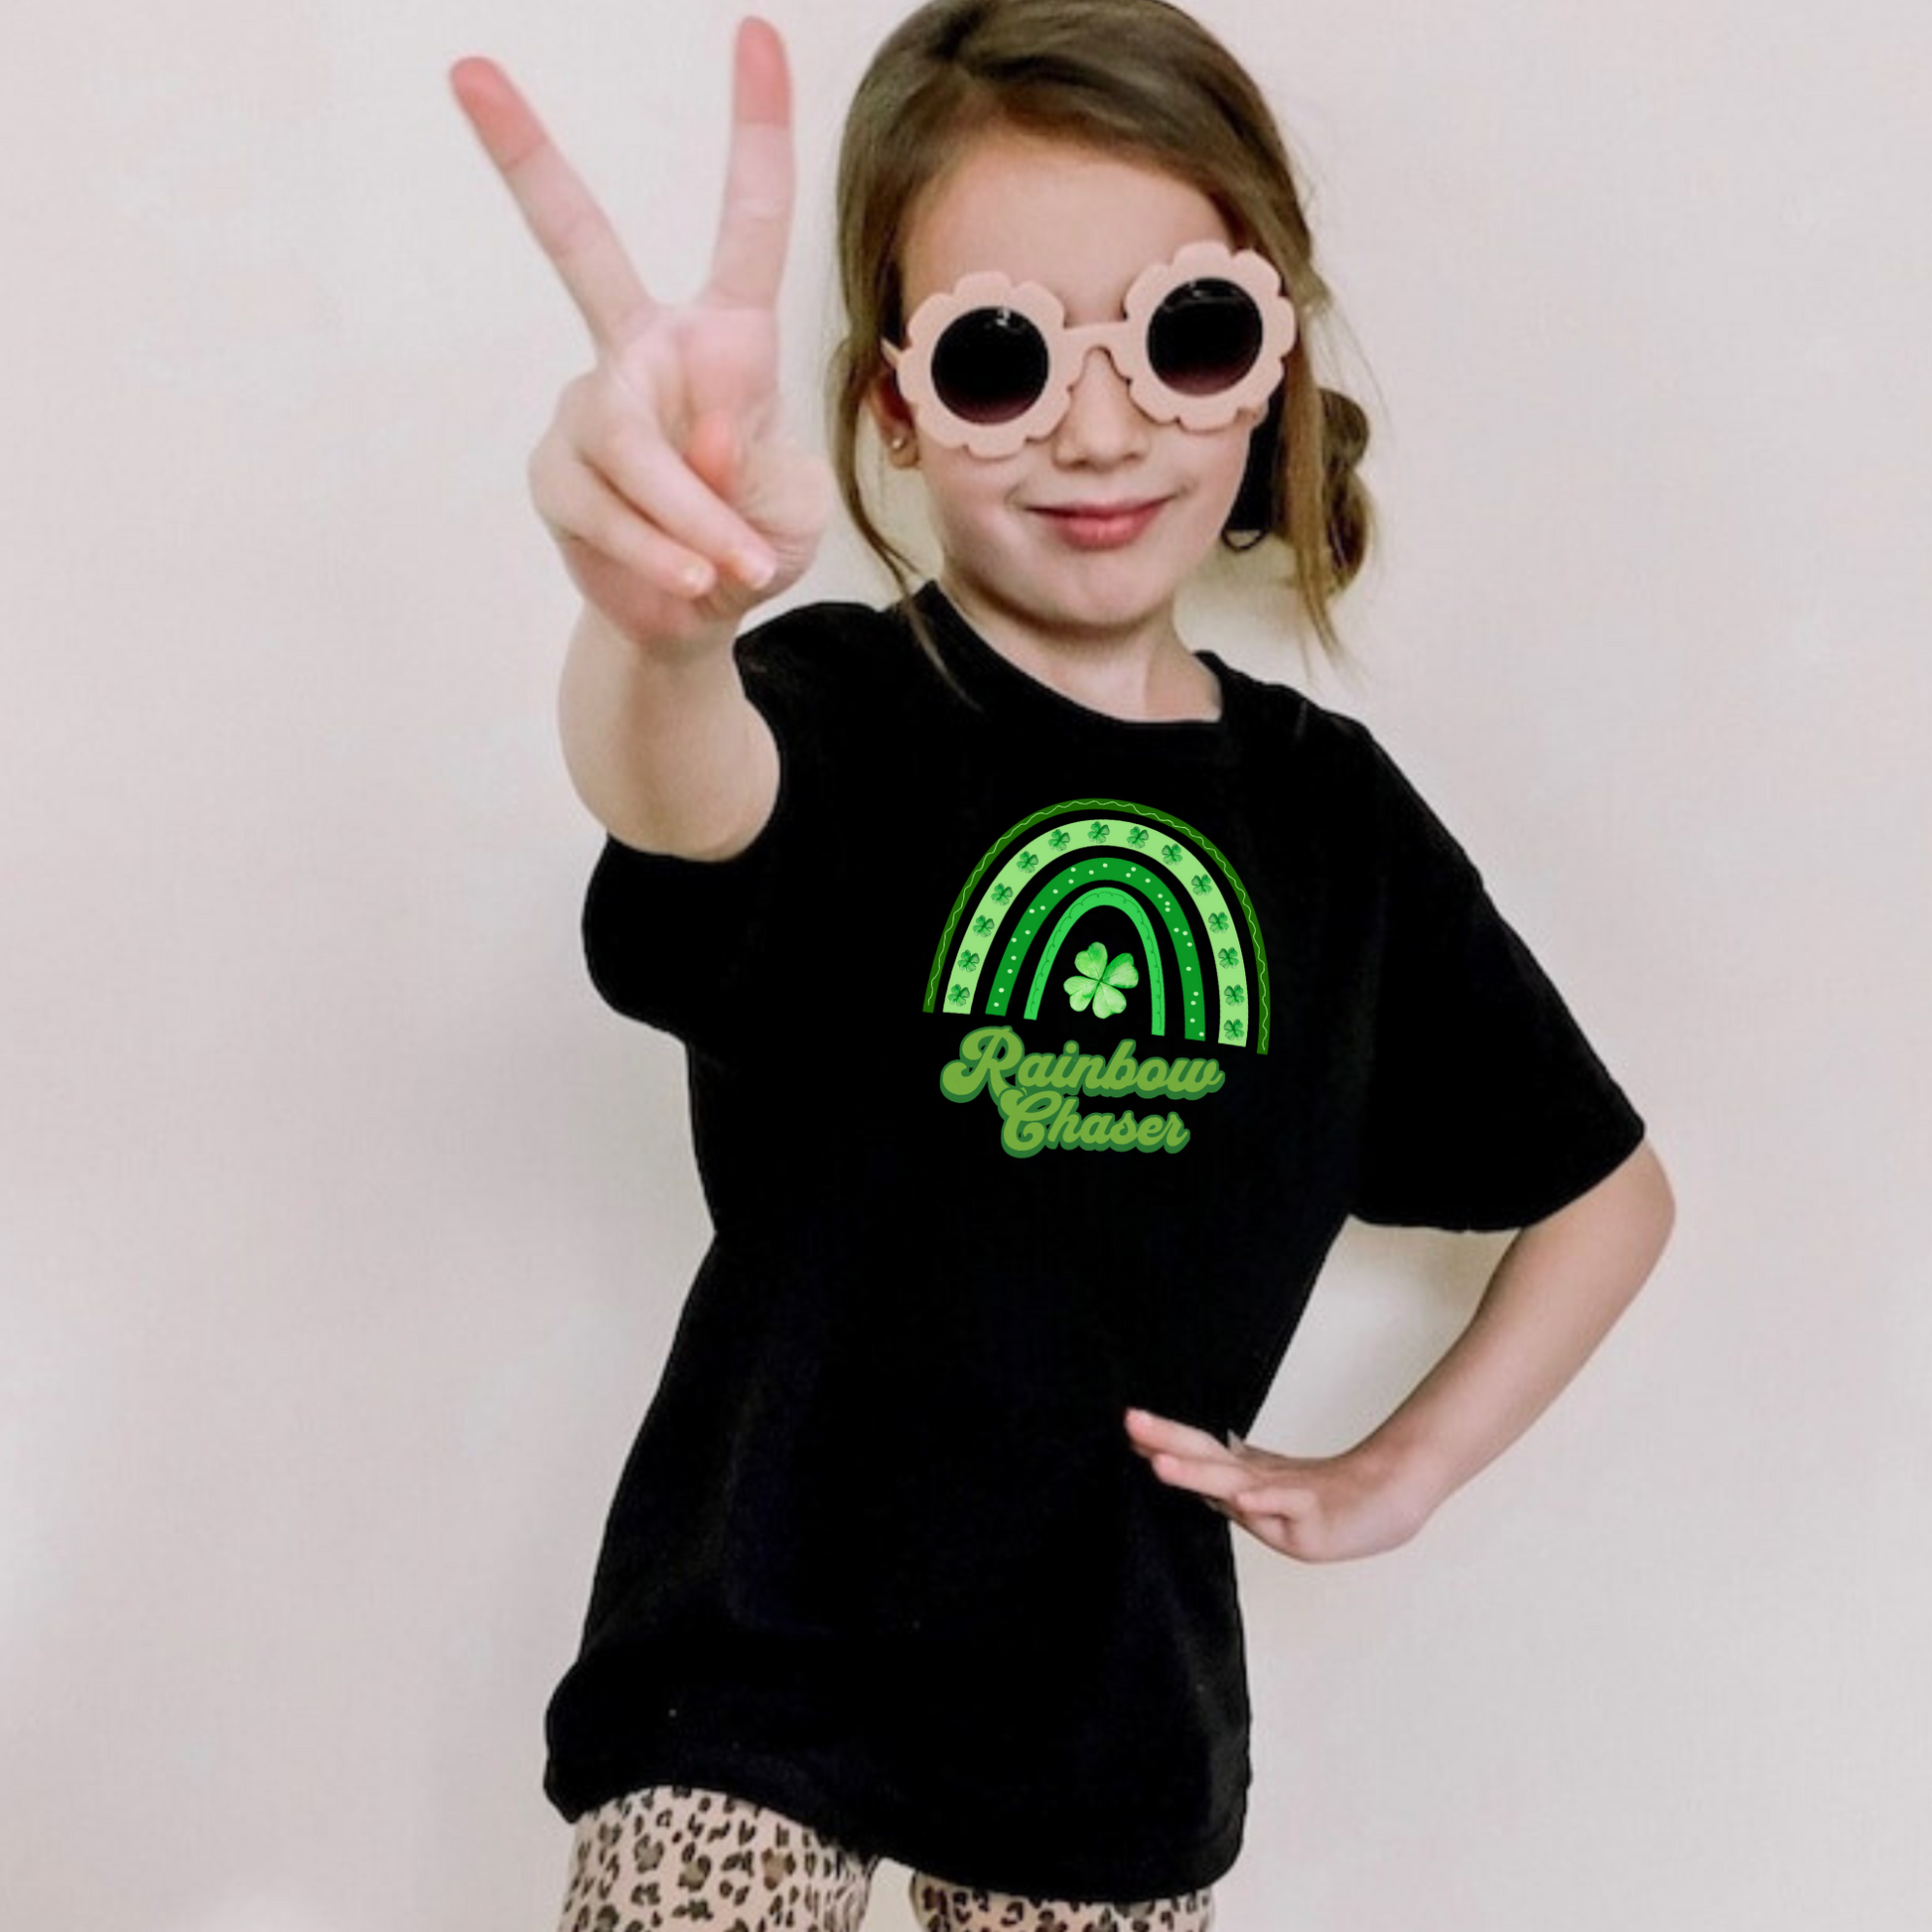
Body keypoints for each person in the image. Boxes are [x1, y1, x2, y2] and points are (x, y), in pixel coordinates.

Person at [449, 3, 1676, 1926]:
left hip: (1107, 1730)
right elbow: (683, 793)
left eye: (1181, 336)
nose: (1099, 429)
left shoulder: (1333, 828)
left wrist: (1405, 1468)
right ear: (893, 408)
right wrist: (660, 629)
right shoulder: (833, 711)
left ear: (1269, 359)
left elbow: (1604, 1190)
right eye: (1002, 357)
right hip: (747, 1682)